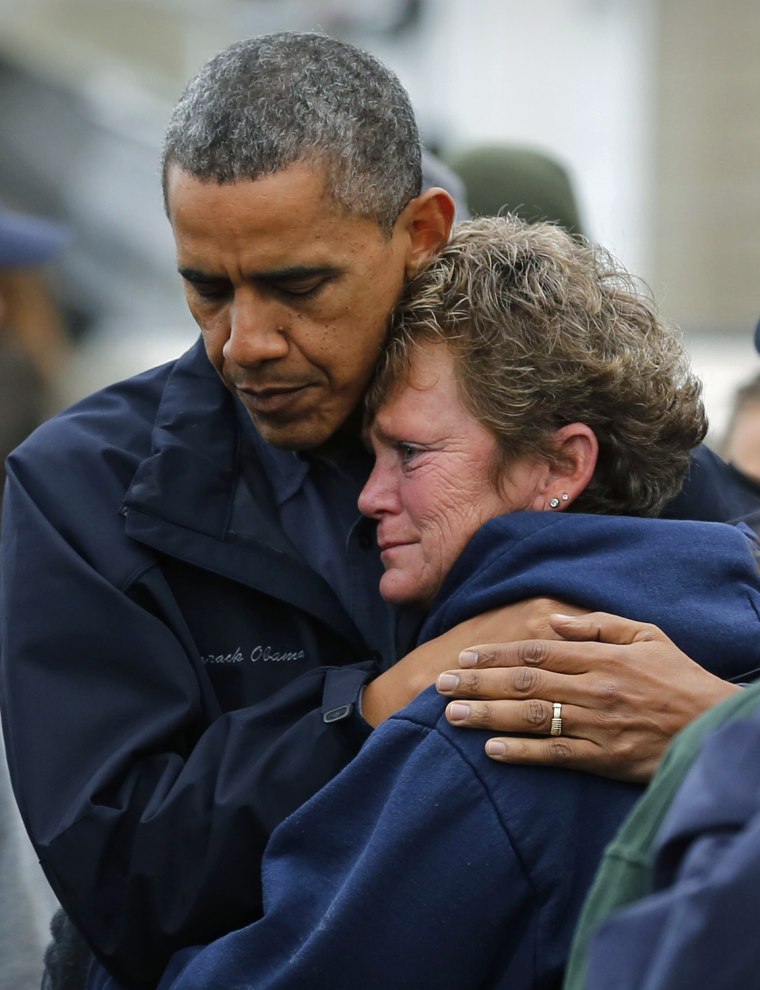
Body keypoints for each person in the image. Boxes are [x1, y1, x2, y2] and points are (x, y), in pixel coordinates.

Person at [0, 32, 754, 990]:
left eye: (297, 285)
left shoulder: (586, 427)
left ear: (424, 231)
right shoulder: (82, 489)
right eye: (206, 287)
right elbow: (120, 882)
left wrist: (722, 726)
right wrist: (375, 706)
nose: (246, 342)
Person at [105, 214, 760, 990]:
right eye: (372, 455)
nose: (370, 498)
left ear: (560, 465)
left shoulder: (492, 720)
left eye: (410, 454)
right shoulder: (734, 649)